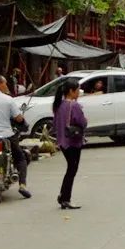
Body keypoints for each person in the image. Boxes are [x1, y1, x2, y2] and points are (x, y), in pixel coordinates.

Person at [53, 79, 87, 209]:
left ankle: (63, 196)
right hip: (73, 141)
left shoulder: (58, 105)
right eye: (77, 90)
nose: (79, 92)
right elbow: (82, 123)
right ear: (71, 91)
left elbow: (55, 123)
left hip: (62, 141)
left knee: (70, 169)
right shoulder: (75, 106)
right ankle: (65, 198)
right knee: (72, 169)